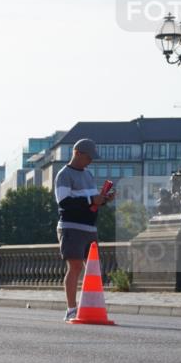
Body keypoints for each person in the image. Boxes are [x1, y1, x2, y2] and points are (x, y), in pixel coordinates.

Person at [55, 138, 115, 322]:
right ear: (77, 153)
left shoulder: (88, 175)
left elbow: (91, 202)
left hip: (90, 228)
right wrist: (92, 200)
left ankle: (89, 306)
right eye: (88, 157)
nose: (90, 161)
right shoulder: (64, 174)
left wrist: (104, 199)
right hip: (71, 227)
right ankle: (71, 309)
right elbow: (64, 203)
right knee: (74, 267)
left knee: (92, 269)